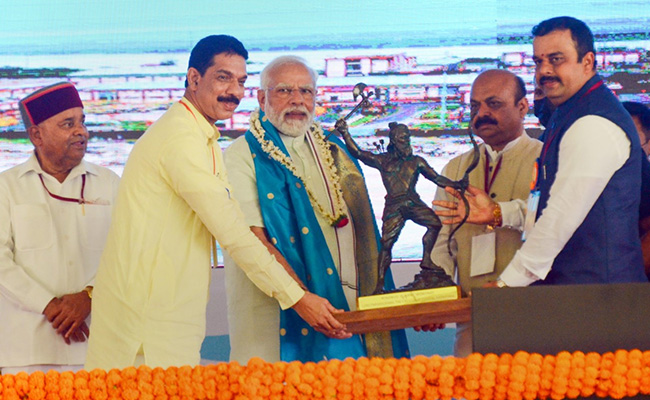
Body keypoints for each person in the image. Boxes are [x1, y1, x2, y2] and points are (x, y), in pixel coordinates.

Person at [85, 36, 348, 370]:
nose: (234, 92)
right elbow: (234, 233)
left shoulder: (201, 135)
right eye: (223, 78)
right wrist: (298, 298)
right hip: (144, 324)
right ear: (194, 79)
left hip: (164, 315)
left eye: (241, 81)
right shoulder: (180, 138)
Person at [436, 16, 647, 286]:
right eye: (538, 61)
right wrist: (499, 213)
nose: (544, 70)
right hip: (577, 293)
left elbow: (560, 217)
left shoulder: (593, 122)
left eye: (556, 59)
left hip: (597, 295)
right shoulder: (567, 114)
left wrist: (508, 284)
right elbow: (546, 207)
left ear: (587, 62)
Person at [223, 55, 408, 363]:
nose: (297, 100)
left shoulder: (333, 148)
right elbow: (252, 239)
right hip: (279, 313)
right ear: (261, 98)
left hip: (347, 305)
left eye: (306, 91)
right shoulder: (241, 155)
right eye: (284, 90)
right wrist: (300, 298)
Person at [0, 82, 119, 374]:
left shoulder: (110, 183)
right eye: (68, 124)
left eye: (82, 122)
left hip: (99, 346)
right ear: (36, 135)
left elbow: (128, 252)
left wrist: (90, 296)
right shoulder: (6, 187)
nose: (81, 132)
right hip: (27, 351)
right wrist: (49, 305)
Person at [429, 69, 542, 357]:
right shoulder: (455, 168)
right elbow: (441, 242)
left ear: (522, 107)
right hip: (472, 314)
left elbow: (551, 223)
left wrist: (498, 213)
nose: (481, 114)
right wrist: (435, 298)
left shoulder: (545, 159)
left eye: (493, 104)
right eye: (474, 106)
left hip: (533, 311)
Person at [335, 120, 465, 294]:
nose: (407, 141)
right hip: (394, 205)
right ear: (395, 140)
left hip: (412, 201)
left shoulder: (417, 161)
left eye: (408, 137)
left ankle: (427, 260)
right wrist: (345, 133)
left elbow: (436, 178)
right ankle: (379, 285)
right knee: (386, 244)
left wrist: (456, 184)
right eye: (403, 138)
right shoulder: (383, 160)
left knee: (435, 224)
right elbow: (358, 153)